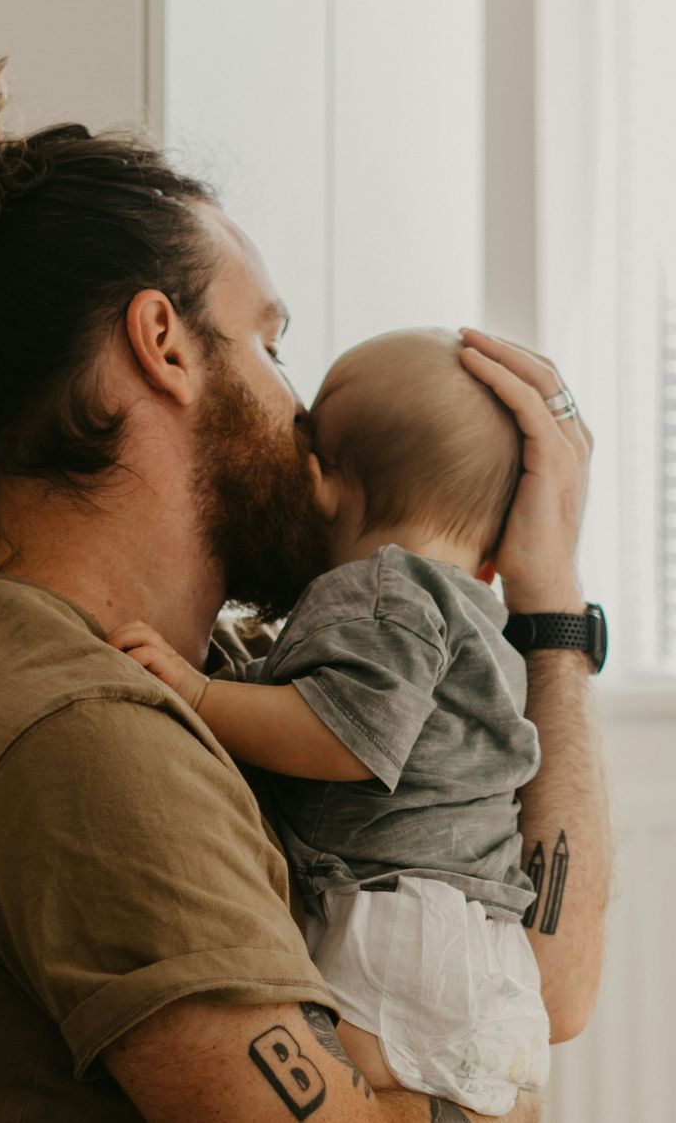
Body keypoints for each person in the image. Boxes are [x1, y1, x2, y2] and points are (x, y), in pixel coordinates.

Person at [0, 62, 608, 1123]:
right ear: (164, 345)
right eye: (272, 345)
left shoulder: (224, 683)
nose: (300, 408)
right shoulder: (86, 739)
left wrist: (550, 611)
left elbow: (553, 989)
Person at [106, 328, 550, 1117]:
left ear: (323, 483)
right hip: (481, 942)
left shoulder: (382, 587)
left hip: (393, 922)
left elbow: (346, 736)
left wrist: (201, 694)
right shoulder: (478, 613)